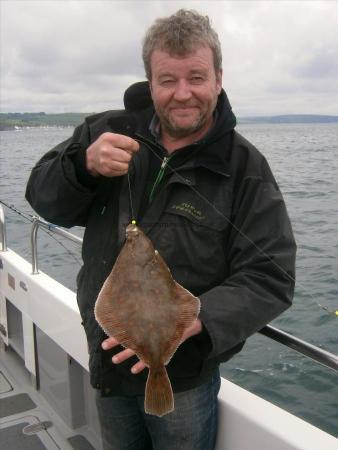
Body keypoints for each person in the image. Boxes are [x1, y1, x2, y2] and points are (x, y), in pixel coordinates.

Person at [26, 9, 296, 450]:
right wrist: (82, 166)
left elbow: (272, 274)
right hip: (107, 364)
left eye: (196, 77)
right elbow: (42, 199)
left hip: (185, 374)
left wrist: (193, 319)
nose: (183, 93)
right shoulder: (105, 132)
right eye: (168, 80)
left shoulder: (244, 167)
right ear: (150, 82)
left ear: (218, 78)